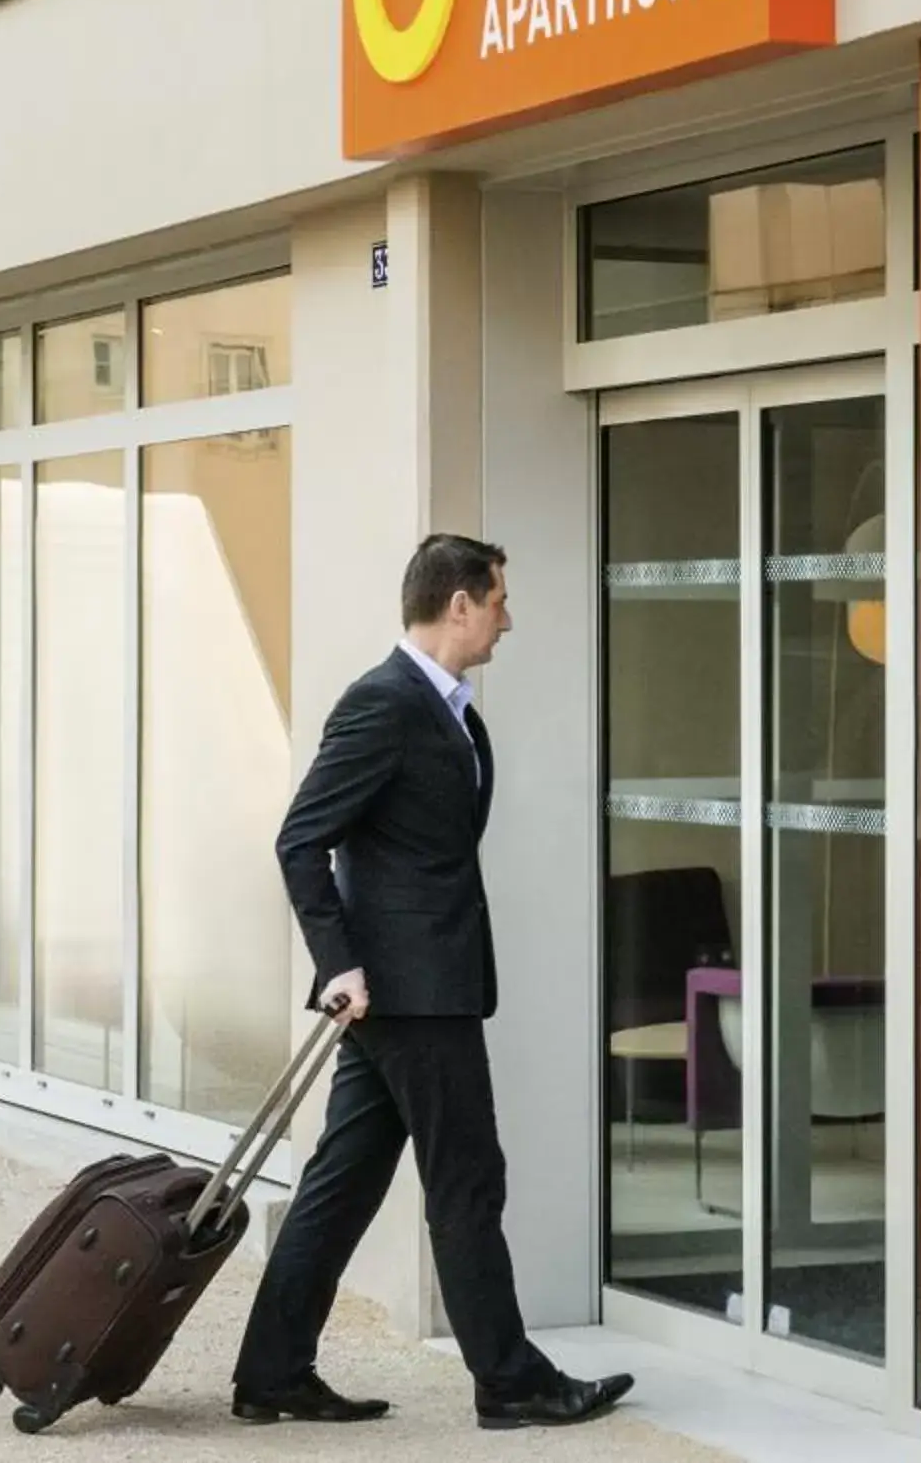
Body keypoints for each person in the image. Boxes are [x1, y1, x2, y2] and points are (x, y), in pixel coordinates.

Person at [232, 534, 635, 1433]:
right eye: (498, 600)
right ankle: (510, 1381)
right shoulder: (384, 704)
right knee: (466, 1180)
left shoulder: (450, 711)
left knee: (344, 1182)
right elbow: (302, 838)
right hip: (409, 995)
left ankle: (270, 1373)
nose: (507, 617)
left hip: (420, 987)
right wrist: (340, 963)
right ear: (459, 604)